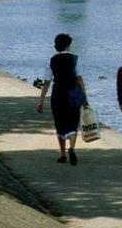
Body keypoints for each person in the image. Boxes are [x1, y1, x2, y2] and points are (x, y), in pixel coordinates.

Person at [36, 32, 88, 166]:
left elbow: (46, 82)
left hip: (58, 93)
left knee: (59, 122)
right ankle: (72, 148)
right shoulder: (75, 59)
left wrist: (41, 101)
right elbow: (79, 79)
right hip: (72, 93)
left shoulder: (52, 60)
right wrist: (84, 97)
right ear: (68, 45)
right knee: (72, 122)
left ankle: (63, 153)